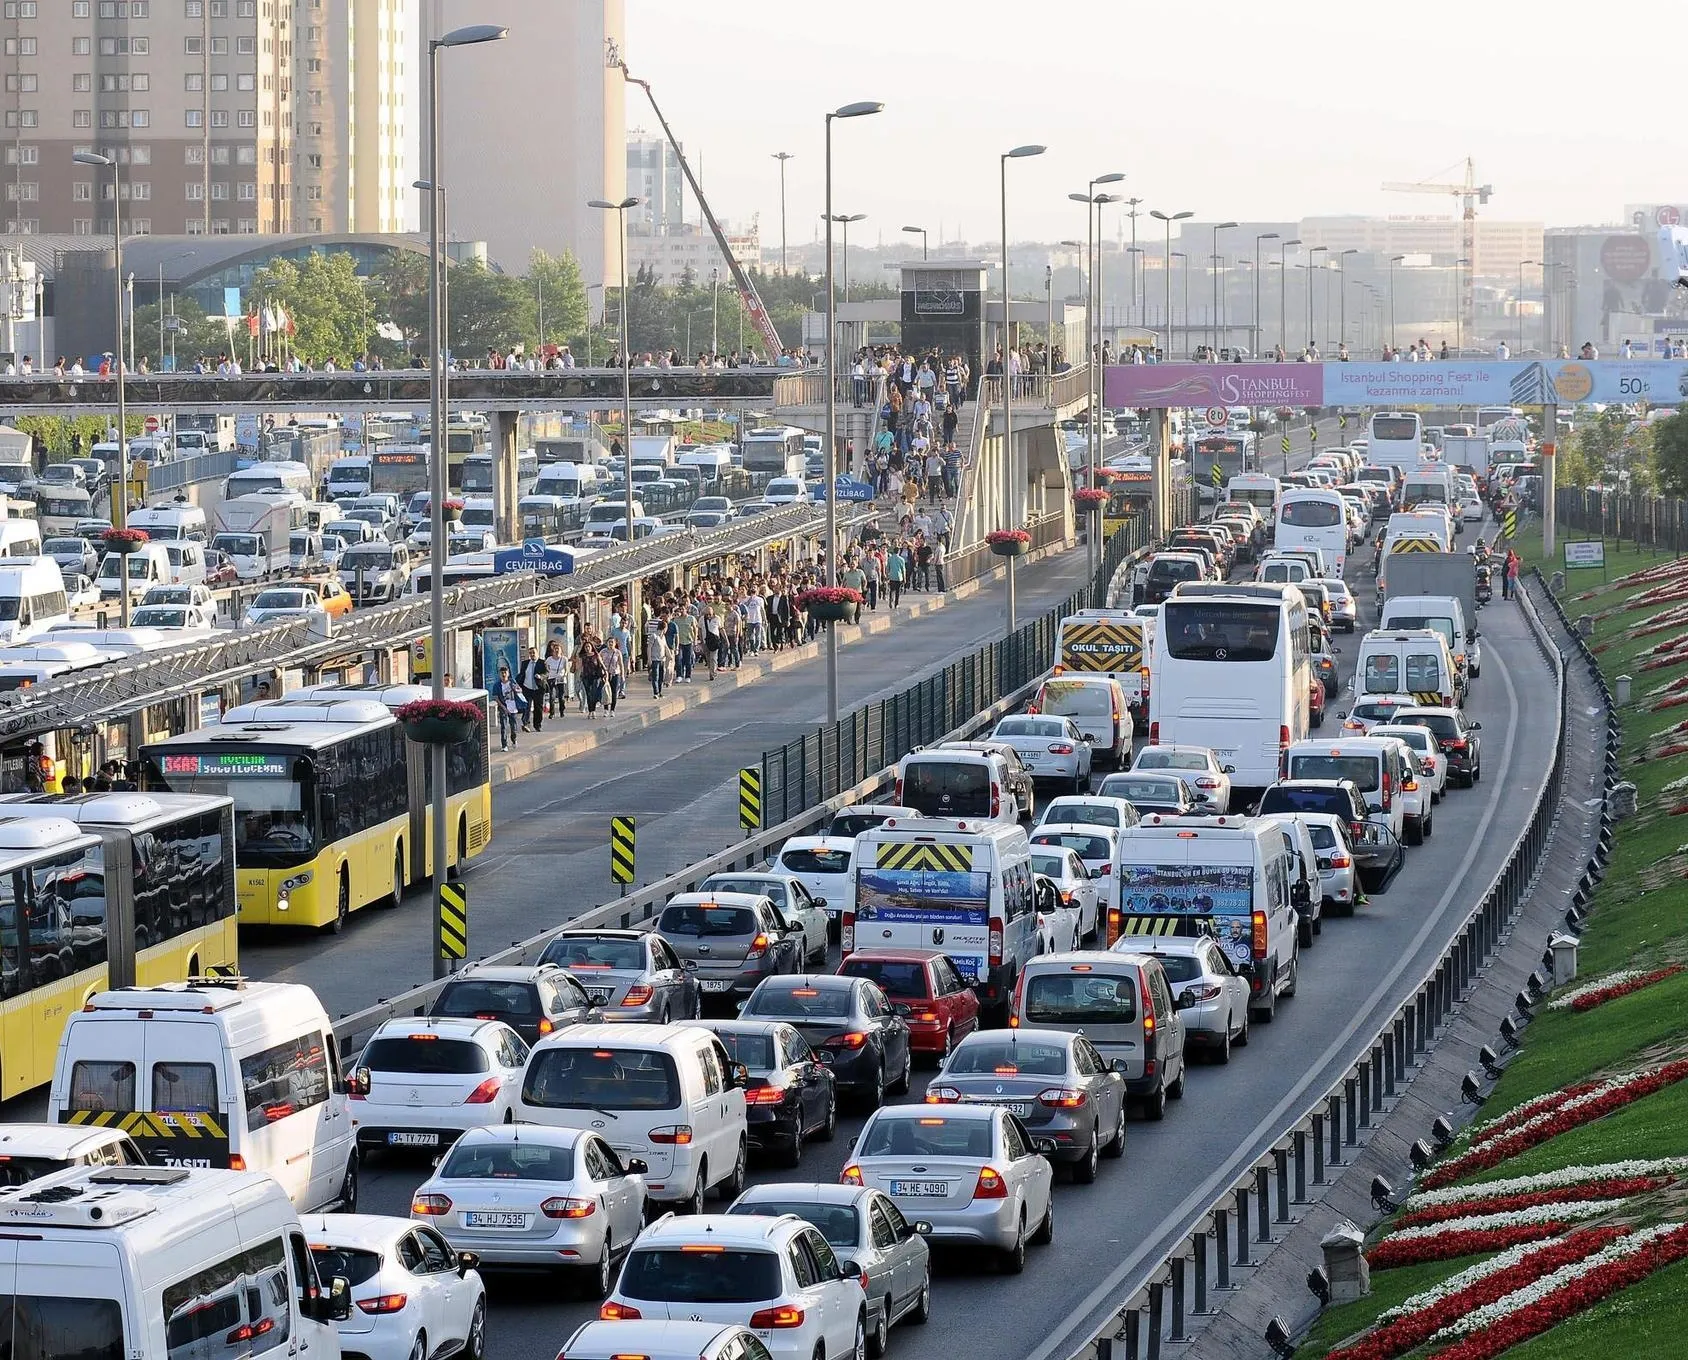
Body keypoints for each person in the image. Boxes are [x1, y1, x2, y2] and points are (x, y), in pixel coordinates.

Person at [491, 663, 523, 751]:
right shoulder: (497, 685)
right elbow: (495, 697)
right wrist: (502, 707)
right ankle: (504, 745)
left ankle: (514, 739)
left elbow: (520, 690)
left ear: (508, 673)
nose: (503, 674)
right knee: (503, 726)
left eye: (505, 672)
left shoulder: (512, 681)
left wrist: (516, 689)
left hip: (512, 706)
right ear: (499, 674)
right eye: (502, 673)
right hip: (503, 707)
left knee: (513, 726)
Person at [518, 646, 546, 732]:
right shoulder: (525, 663)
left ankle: (537, 725)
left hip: (538, 688)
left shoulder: (542, 662)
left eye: (533, 653)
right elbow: (522, 674)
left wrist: (541, 676)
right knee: (527, 706)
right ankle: (525, 723)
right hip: (527, 688)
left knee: (538, 708)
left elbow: (546, 673)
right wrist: (518, 685)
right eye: (530, 653)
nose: (532, 655)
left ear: (537, 653)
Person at [646, 613, 671, 697]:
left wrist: (669, 655)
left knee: (661, 677)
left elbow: (665, 646)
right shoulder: (654, 636)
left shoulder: (663, 637)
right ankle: (655, 692)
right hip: (655, 659)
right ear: (664, 628)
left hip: (662, 659)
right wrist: (649, 659)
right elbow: (649, 647)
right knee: (655, 676)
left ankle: (660, 692)